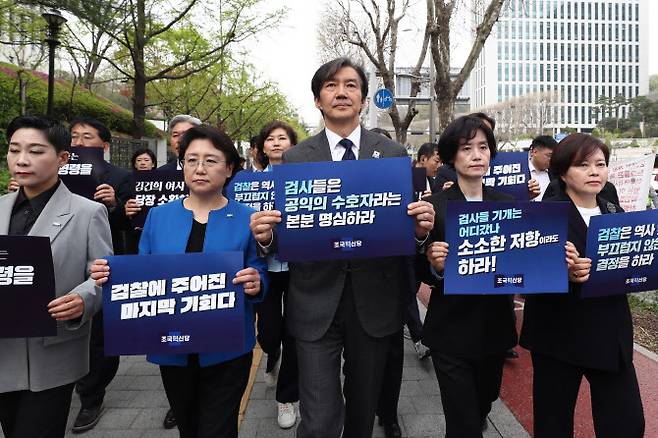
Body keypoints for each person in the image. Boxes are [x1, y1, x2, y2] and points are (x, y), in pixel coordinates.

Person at [249, 57, 435, 438]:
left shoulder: (393, 154)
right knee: (318, 416)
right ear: (318, 99)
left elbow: (405, 237)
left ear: (364, 99)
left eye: (351, 85)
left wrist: (419, 232)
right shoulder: (296, 158)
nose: (342, 92)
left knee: (362, 412)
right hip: (314, 300)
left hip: (375, 303)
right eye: (331, 85)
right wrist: (268, 238)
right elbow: (292, 233)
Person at [91, 125, 268, 438]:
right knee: (188, 425)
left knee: (218, 428)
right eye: (191, 160)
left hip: (227, 347)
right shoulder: (158, 216)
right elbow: (144, 273)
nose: (200, 168)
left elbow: (259, 271)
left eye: (211, 161)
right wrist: (112, 277)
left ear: (229, 169)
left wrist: (256, 282)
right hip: (172, 347)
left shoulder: (248, 217)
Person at [520, 133, 645, 438]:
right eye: (583, 165)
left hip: (609, 332)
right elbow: (524, 275)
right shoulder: (543, 216)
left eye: (600, 164)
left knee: (627, 422)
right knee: (553, 422)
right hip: (558, 336)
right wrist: (565, 273)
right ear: (562, 172)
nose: (594, 172)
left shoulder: (613, 206)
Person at [0, 115, 112, 438]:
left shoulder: (88, 212)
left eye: (35, 151)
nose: (21, 160)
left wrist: (82, 299)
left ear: (62, 158)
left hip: (52, 354)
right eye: (14, 149)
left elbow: (104, 277)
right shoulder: (2, 208)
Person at [418, 115, 518, 437]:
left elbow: (520, 263)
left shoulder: (508, 205)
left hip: (495, 329)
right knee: (461, 423)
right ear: (451, 155)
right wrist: (434, 263)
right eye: (466, 148)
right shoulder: (434, 206)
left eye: (483, 147)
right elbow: (419, 268)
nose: (477, 155)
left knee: (483, 403)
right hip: (451, 331)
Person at [69, 116, 132, 433]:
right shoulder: (55, 171)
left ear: (104, 146)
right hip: (62, 261)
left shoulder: (120, 177)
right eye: (74, 137)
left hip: (103, 264)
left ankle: (91, 396)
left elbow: (129, 224)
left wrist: (114, 205)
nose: (78, 142)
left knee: (99, 335)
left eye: (87, 137)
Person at [252, 120, 300, 429]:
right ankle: (273, 353)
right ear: (262, 147)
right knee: (269, 334)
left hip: (298, 269)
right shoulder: (249, 183)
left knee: (295, 333)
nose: (277, 143)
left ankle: (286, 397)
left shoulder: (307, 181)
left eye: (283, 138)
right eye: (271, 139)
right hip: (265, 269)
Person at [528, 135, 557, 201]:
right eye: (549, 155)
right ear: (535, 152)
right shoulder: (521, 172)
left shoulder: (556, 172)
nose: (552, 159)